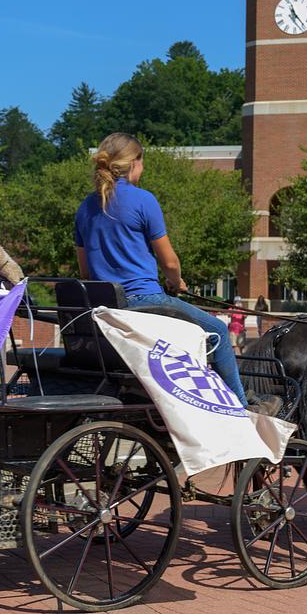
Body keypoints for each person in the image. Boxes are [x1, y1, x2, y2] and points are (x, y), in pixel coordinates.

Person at [74, 133, 254, 409]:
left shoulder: (85, 208)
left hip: (106, 308)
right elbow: (169, 263)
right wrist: (177, 281)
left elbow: (85, 271)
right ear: (134, 163)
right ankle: (240, 407)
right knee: (217, 329)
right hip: (144, 303)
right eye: (142, 163)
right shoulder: (143, 200)